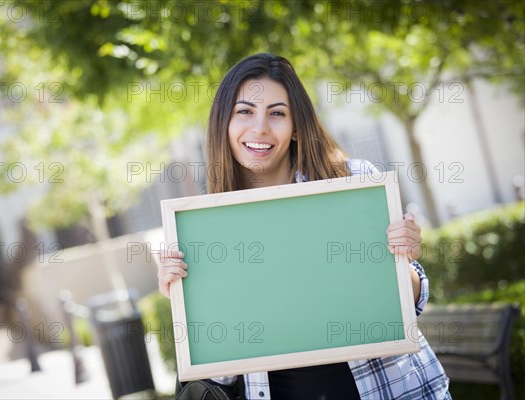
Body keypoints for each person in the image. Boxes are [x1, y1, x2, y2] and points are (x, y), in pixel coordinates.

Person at [158, 53, 450, 400]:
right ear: (224, 122)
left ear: (296, 127)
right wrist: (188, 305)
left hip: (382, 389)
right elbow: (220, 375)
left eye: (277, 113)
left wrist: (403, 261)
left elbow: (412, 303)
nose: (260, 128)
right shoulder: (204, 225)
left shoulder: (352, 183)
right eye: (245, 111)